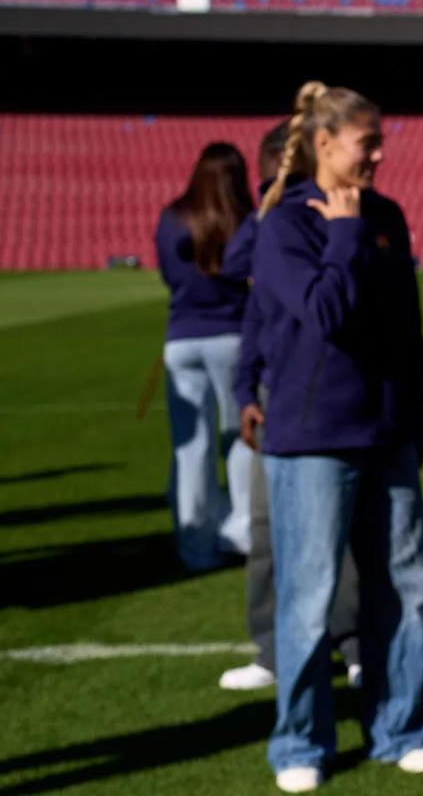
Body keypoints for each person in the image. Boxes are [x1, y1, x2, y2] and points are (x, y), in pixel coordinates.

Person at [252, 81, 423, 793]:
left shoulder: (388, 213)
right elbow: (324, 312)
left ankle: (400, 726)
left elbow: (406, 333)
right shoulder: (285, 226)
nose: (381, 153)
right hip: (312, 441)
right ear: (326, 143)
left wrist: (419, 418)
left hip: (387, 433)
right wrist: (345, 231)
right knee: (309, 597)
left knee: (402, 587)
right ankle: (299, 741)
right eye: (369, 141)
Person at [219, 121, 363, 694]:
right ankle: (274, 649)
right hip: (282, 399)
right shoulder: (273, 225)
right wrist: (243, 389)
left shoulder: (344, 218)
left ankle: (353, 642)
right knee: (267, 529)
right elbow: (250, 295)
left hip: (334, 399)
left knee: (341, 534)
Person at [155, 141, 256, 571]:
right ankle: (241, 530)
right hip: (232, 336)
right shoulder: (245, 220)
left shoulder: (172, 219)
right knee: (241, 436)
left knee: (190, 449)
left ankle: (195, 544)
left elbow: (167, 275)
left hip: (182, 339)